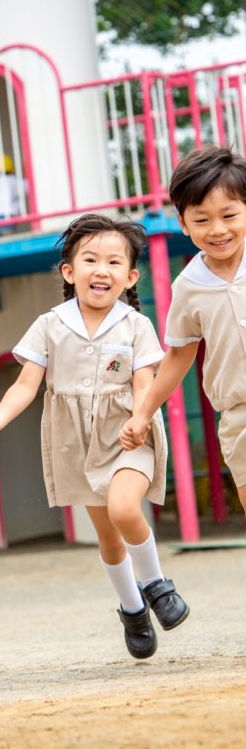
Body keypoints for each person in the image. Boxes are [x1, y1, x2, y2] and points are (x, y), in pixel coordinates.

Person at [0, 214, 189, 660]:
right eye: (89, 259)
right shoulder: (50, 324)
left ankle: (157, 584)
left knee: (125, 508)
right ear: (69, 271)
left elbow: (146, 381)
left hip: (128, 432)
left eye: (113, 261)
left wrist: (141, 418)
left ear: (130, 276)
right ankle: (132, 610)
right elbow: (26, 384)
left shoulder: (135, 325)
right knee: (107, 536)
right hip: (76, 442)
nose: (100, 269)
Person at [121, 145, 246, 517]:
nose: (218, 229)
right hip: (240, 415)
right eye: (202, 219)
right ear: (183, 222)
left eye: (229, 215)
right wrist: (143, 414)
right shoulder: (188, 286)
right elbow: (179, 354)